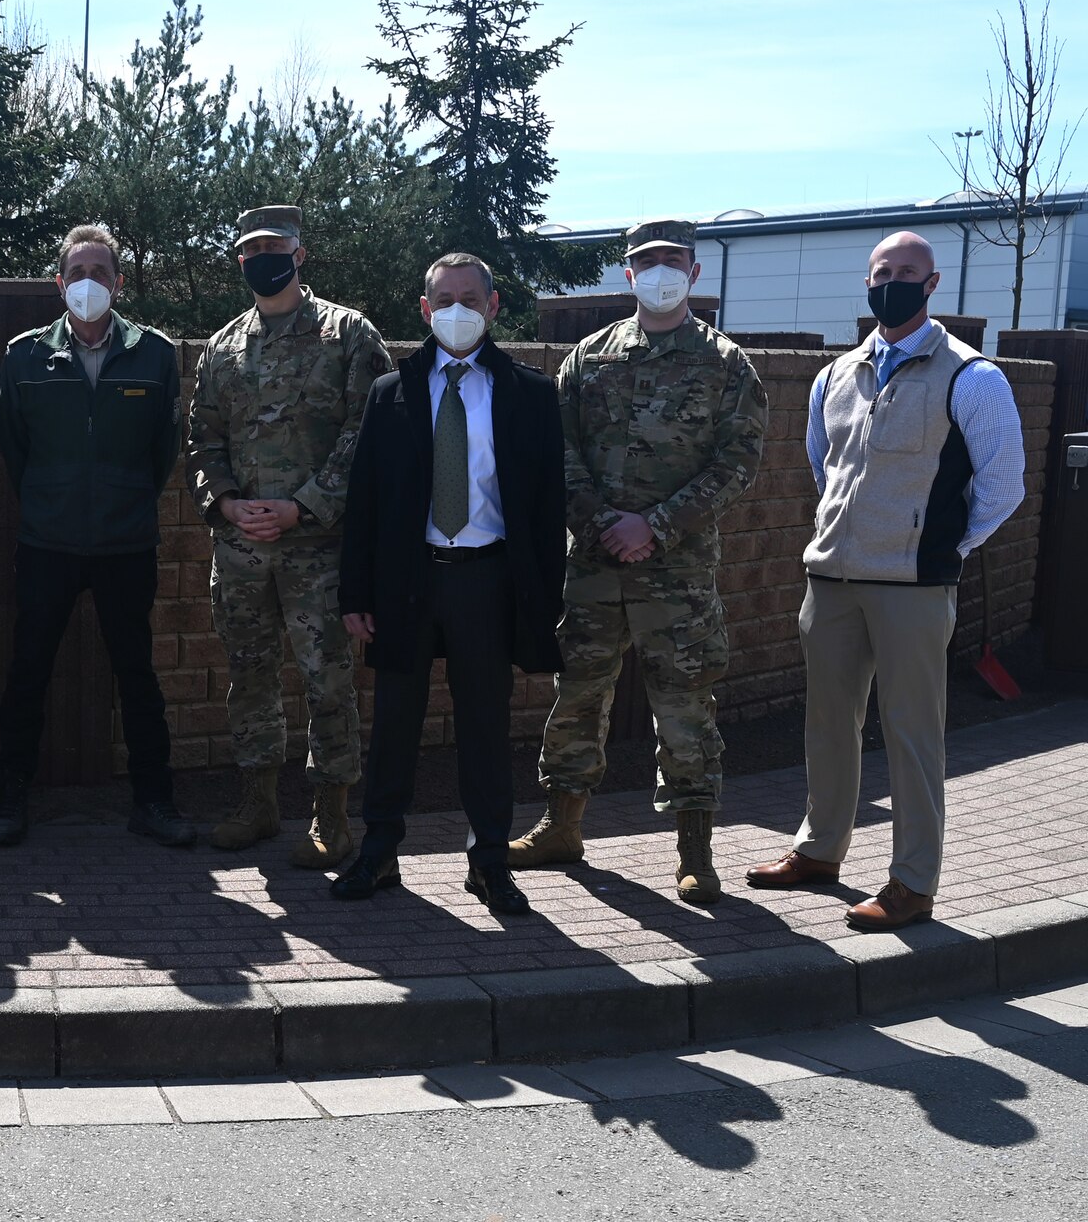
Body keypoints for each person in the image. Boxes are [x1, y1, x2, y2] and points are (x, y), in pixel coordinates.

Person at [747, 231, 1024, 930]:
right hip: (833, 578)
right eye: (882, 272)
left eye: (907, 272)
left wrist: (938, 545)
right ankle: (819, 850)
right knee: (828, 723)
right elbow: (826, 467)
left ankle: (912, 882)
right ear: (867, 282)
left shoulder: (972, 376)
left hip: (915, 587)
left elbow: (1003, 486)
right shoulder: (833, 376)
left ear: (932, 285)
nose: (891, 282)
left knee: (912, 734)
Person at [510, 218, 767, 905]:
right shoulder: (588, 359)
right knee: (575, 700)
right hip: (594, 567)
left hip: (676, 572)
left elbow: (738, 463)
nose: (659, 270)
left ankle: (695, 853)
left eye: (671, 259)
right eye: (645, 260)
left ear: (694, 270)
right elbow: (556, 454)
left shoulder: (725, 364)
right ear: (627, 274)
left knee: (685, 711)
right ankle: (561, 827)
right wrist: (602, 522)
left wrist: (651, 525)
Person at [334, 253, 565, 914]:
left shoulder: (529, 393)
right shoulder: (392, 391)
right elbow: (366, 500)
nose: (457, 309)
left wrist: (544, 599)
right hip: (409, 579)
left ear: (494, 307)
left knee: (486, 726)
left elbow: (549, 508)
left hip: (487, 581)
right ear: (424, 309)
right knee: (394, 722)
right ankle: (379, 851)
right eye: (444, 298)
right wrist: (356, 594)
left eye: (470, 297)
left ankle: (490, 859)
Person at [187, 205, 391, 869]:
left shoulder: (348, 335)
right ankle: (257, 802)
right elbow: (202, 441)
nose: (262, 258)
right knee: (248, 677)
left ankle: (331, 814)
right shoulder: (222, 347)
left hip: (318, 552)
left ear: (299, 255)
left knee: (326, 681)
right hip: (242, 551)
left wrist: (304, 507)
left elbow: (369, 437)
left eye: (274, 247)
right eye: (250, 251)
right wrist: (223, 501)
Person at [0, 225, 194, 848]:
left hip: (125, 545)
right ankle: (9, 798)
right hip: (46, 543)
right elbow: (14, 449)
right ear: (59, 282)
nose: (88, 283)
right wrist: (50, 501)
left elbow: (162, 452)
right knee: (27, 672)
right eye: (76, 272)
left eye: (100, 272)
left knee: (137, 675)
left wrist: (125, 502)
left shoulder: (154, 355)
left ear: (118, 283)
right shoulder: (24, 356)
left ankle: (153, 801)